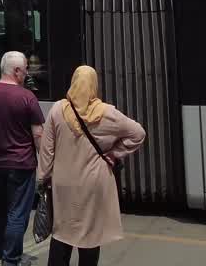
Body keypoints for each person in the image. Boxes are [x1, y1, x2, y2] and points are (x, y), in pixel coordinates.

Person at [38, 66, 145, 266]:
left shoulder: (57, 110)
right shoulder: (106, 113)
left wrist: (43, 177)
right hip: (94, 184)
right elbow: (138, 133)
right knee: (90, 236)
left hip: (64, 183)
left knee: (62, 233)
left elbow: (46, 150)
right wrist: (115, 153)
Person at [0, 51, 44, 266]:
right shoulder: (27, 97)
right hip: (22, 165)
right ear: (16, 71)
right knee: (17, 213)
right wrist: (45, 163)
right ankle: (11, 259)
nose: (26, 74)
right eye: (24, 70)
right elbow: (38, 134)